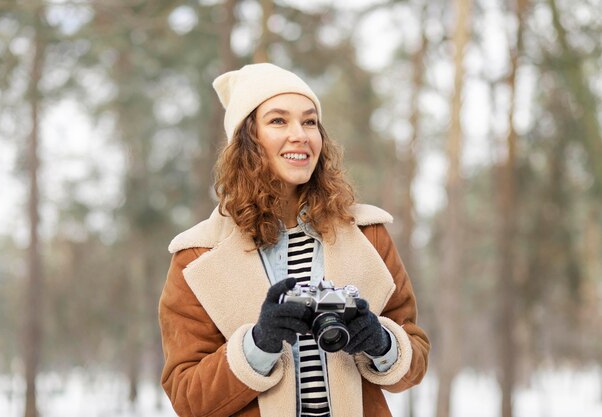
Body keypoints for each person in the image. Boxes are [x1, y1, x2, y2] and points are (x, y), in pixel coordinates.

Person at [158, 63, 429, 417]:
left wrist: (382, 342)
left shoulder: (367, 233)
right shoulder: (196, 255)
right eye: (278, 121)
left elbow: (416, 358)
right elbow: (188, 398)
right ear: (247, 139)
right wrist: (258, 344)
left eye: (310, 121)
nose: (300, 134)